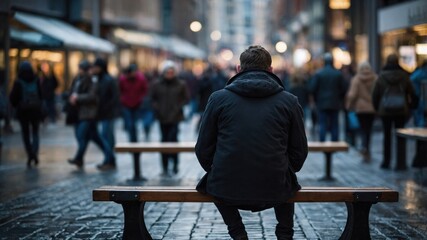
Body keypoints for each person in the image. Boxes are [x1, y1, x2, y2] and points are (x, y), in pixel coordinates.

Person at [195, 45, 308, 239]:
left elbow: (203, 148)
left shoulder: (218, 99)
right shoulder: (289, 101)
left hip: (228, 184)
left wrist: (217, 167)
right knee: (286, 178)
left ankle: (237, 232)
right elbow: (299, 150)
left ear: (238, 69)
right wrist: (285, 167)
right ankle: (285, 232)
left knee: (213, 181)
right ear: (270, 70)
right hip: (275, 184)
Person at [372, 54, 417, 170]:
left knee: (387, 136)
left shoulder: (381, 76)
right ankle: (400, 163)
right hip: (401, 110)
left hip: (385, 110)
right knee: (400, 136)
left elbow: (375, 94)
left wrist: (377, 108)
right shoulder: (404, 75)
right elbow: (412, 93)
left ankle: (386, 162)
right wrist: (410, 107)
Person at [67, 60, 114, 169]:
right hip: (79, 113)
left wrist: (77, 97)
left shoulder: (94, 80)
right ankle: (108, 158)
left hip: (90, 114)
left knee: (82, 136)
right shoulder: (78, 79)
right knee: (94, 137)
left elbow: (94, 96)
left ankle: (80, 158)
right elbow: (72, 91)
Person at [150, 61, 190, 176]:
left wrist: (178, 107)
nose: (169, 74)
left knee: (173, 140)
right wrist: (157, 108)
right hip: (162, 117)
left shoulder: (180, 84)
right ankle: (165, 166)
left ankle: (175, 164)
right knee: (164, 141)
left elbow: (186, 98)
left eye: (172, 72)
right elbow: (152, 98)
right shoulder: (157, 84)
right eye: (167, 72)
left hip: (175, 117)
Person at [9, 61, 43, 167]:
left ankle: (30, 154)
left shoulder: (18, 81)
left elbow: (13, 98)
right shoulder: (36, 79)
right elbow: (41, 95)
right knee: (36, 133)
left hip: (23, 112)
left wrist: (16, 106)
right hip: (35, 111)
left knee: (26, 134)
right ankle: (34, 152)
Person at [309, 53, 347, 142]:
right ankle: (334, 144)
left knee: (322, 124)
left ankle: (322, 142)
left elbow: (312, 88)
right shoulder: (338, 74)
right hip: (335, 102)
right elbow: (344, 89)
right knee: (334, 124)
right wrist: (340, 98)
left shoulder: (319, 74)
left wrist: (316, 99)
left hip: (322, 102)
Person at [346, 62, 377, 162]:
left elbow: (352, 95)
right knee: (369, 130)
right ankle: (367, 149)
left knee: (363, 129)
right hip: (372, 108)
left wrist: (349, 106)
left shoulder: (357, 79)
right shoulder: (375, 78)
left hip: (360, 108)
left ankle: (364, 148)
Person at [92, 57, 120, 170]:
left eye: (96, 67)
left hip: (108, 113)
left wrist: (107, 107)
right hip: (101, 113)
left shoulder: (108, 80)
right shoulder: (97, 79)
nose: (94, 69)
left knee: (106, 136)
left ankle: (110, 159)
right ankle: (109, 159)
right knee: (107, 137)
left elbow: (115, 97)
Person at [119, 64, 148, 165]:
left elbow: (144, 90)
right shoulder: (123, 79)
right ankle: (132, 141)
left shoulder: (140, 78)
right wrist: (122, 100)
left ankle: (134, 141)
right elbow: (120, 90)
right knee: (130, 124)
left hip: (137, 104)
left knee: (134, 124)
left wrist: (141, 99)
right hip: (127, 104)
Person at [409, 60, 427, 169]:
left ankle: (419, 160)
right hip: (421, 108)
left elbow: (412, 89)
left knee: (420, 132)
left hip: (420, 108)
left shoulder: (417, 75)